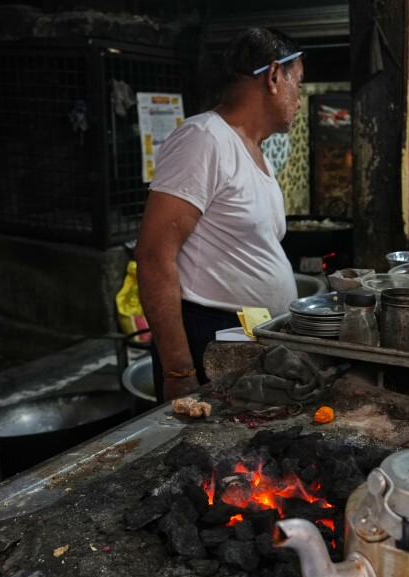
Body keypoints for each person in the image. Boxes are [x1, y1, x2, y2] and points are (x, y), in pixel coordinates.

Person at [135, 27, 303, 402]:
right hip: (210, 335)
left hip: (248, 336)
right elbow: (153, 256)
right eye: (299, 84)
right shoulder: (203, 139)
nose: (300, 100)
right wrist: (179, 371)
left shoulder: (253, 149)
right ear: (274, 76)